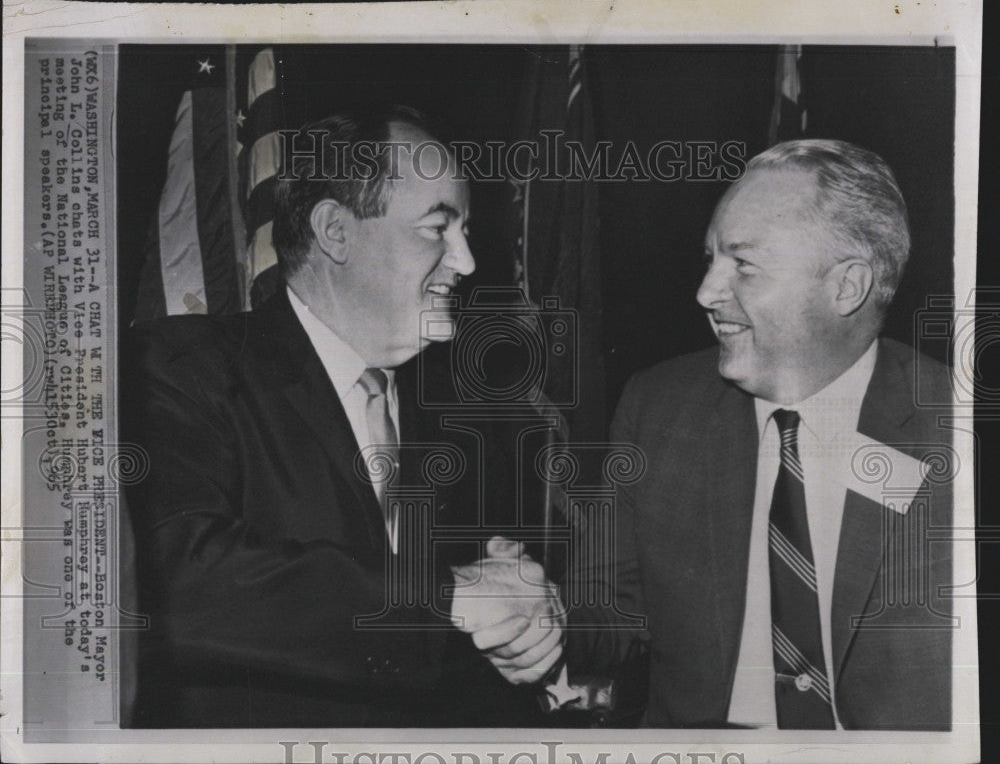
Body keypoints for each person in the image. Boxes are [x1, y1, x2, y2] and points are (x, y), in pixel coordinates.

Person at [122, 106, 562, 727]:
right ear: (336, 231)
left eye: (464, 231)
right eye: (438, 228)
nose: (465, 262)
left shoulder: (460, 412)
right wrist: (450, 598)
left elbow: (471, 616)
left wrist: (529, 624)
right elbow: (172, 584)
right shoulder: (183, 368)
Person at [559, 139, 954, 729]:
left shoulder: (955, 426)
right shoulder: (659, 408)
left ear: (847, 287)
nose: (705, 293)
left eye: (742, 264)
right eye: (711, 259)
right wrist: (535, 620)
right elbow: (608, 614)